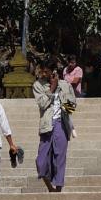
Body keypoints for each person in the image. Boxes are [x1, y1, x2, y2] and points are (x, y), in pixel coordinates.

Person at [32, 61, 74, 192]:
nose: (43, 74)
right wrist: (51, 89)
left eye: (46, 71)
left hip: (61, 124)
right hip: (47, 125)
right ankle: (50, 187)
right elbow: (42, 104)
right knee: (41, 160)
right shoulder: (38, 85)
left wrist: (63, 101)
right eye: (41, 71)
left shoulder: (65, 85)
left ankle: (58, 188)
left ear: (53, 71)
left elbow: (72, 107)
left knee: (59, 157)